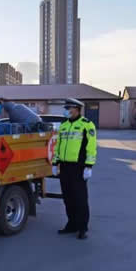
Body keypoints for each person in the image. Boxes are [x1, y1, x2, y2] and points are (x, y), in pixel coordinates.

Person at [51, 98, 97, 240]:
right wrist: (55, 163)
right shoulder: (64, 125)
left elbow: (91, 147)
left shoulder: (86, 125)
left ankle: (82, 228)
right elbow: (58, 146)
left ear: (76, 109)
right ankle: (71, 224)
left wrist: (89, 166)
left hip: (79, 167)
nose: (66, 111)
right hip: (65, 167)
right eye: (65, 108)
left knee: (80, 199)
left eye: (68, 108)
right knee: (68, 198)